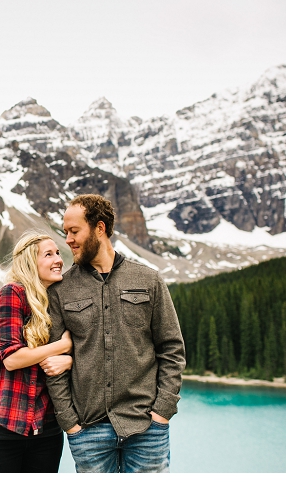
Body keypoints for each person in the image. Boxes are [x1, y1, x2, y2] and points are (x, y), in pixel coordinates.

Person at [45, 194, 186, 473]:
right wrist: (70, 423)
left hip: (147, 427)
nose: (68, 240)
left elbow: (172, 349)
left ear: (99, 228)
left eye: (74, 231)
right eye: (66, 233)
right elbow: (54, 362)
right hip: (88, 431)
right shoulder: (61, 290)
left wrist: (162, 412)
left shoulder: (148, 280)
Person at [0, 230, 75, 473]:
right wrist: (63, 346)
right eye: (49, 254)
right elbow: (12, 358)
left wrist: (69, 360)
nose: (58, 260)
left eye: (58, 253)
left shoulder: (56, 297)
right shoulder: (12, 293)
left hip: (46, 426)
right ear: (31, 261)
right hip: (5, 423)